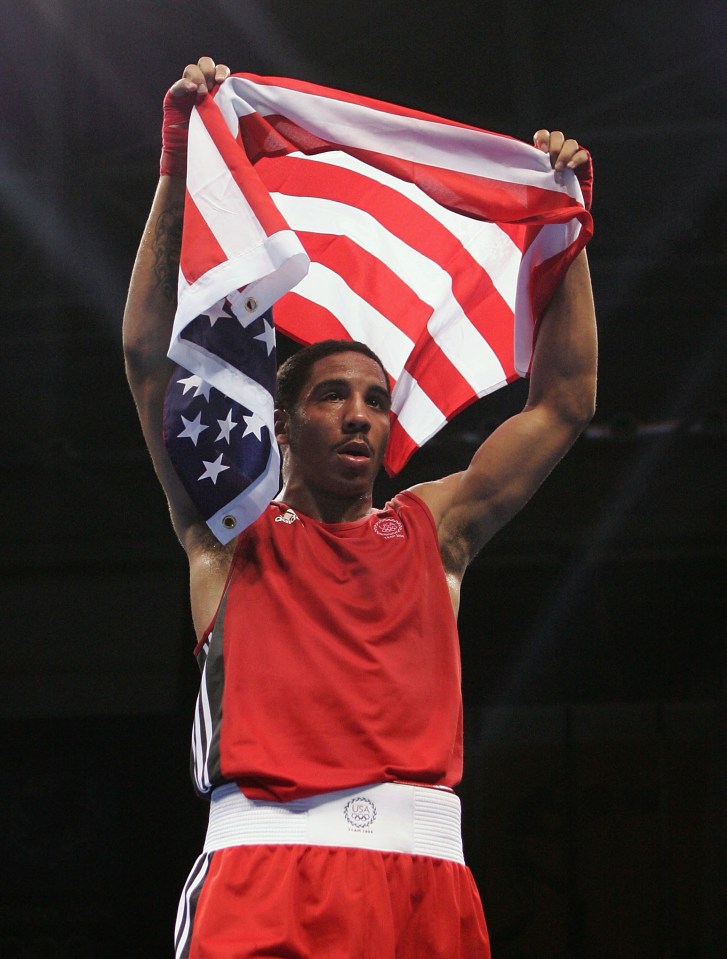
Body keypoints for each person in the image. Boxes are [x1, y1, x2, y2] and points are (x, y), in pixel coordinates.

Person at [123, 57, 596, 959]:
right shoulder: (230, 535)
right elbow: (152, 361)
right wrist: (180, 173)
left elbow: (562, 403)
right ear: (283, 422)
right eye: (333, 396)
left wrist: (566, 236)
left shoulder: (436, 532)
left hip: (423, 877)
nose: (360, 415)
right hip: (265, 871)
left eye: (376, 400)